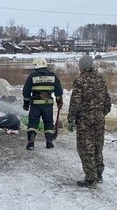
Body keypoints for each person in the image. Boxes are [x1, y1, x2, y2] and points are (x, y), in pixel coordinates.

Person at [67, 55, 112, 188]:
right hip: (99, 119)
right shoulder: (100, 79)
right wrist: (100, 114)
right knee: (98, 145)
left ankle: (90, 178)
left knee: (85, 148)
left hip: (85, 121)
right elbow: (107, 102)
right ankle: (98, 174)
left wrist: (71, 119)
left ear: (82, 67)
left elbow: (75, 102)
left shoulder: (80, 81)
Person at [22, 57, 63, 150]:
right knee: (48, 122)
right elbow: (58, 91)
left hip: (35, 104)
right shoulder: (53, 76)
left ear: (36, 65)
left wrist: (26, 103)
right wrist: (59, 101)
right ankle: (49, 142)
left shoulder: (32, 76)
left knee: (33, 122)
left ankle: (31, 142)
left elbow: (26, 91)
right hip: (48, 104)